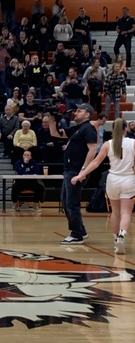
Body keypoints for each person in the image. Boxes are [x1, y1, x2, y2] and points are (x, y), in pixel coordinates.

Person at [72, 118, 135, 254]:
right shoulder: (133, 143)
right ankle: (122, 235)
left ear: (113, 129)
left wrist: (81, 175)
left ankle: (115, 239)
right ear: (126, 129)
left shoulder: (108, 144)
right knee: (126, 212)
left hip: (112, 180)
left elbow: (95, 163)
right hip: (129, 179)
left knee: (115, 212)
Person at [49, 104, 98, 245]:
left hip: (76, 170)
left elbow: (92, 149)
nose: (76, 113)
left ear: (87, 114)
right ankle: (80, 230)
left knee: (72, 203)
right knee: (65, 201)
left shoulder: (88, 128)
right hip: (69, 169)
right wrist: (52, 118)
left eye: (79, 111)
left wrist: (84, 170)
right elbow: (55, 134)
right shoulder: (77, 129)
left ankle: (77, 235)